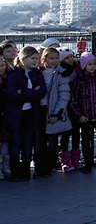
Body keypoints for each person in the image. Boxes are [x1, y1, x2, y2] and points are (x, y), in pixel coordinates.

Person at [5, 46, 45, 181]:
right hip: (16, 114)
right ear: (23, 59)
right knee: (15, 144)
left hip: (30, 113)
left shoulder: (37, 74)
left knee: (28, 143)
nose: (35, 61)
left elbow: (41, 92)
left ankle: (26, 171)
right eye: (32, 58)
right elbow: (11, 94)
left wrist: (23, 92)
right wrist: (31, 93)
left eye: (37, 58)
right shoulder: (14, 74)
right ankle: (15, 171)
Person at [36, 45, 72, 178]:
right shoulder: (39, 72)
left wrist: (57, 113)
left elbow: (64, 96)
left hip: (53, 111)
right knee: (39, 143)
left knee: (52, 144)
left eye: (57, 58)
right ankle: (40, 169)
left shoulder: (62, 74)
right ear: (44, 59)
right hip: (40, 110)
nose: (54, 61)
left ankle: (49, 167)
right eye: (51, 58)